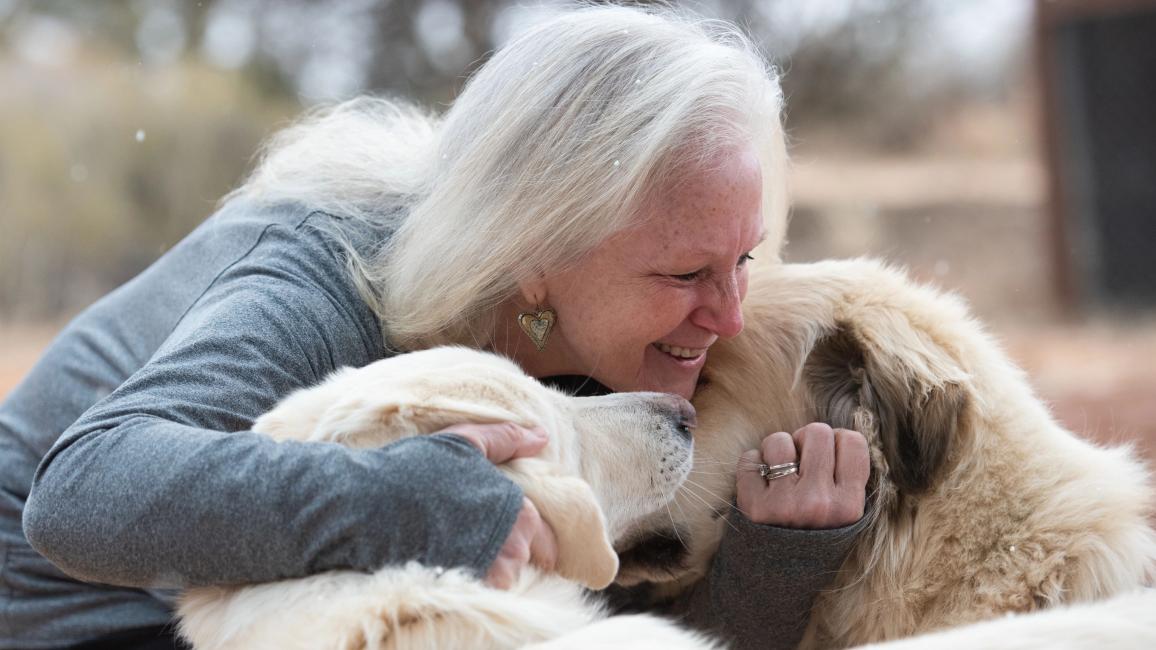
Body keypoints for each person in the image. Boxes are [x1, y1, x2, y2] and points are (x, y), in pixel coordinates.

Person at [2, 5, 869, 649]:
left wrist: (775, 560)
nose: (730, 315)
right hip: (80, 614)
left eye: (745, 259)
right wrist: (408, 501)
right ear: (538, 245)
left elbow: (597, 616)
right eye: (685, 274)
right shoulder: (330, 271)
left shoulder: (596, 331)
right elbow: (79, 497)